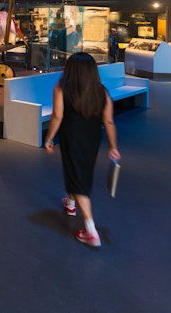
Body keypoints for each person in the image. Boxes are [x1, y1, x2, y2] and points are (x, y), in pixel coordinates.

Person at [44, 52, 120, 247]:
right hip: (92, 138)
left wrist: (49, 138)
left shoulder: (61, 88)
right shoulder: (101, 91)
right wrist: (113, 147)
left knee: (77, 177)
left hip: (71, 136)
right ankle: (70, 204)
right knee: (79, 170)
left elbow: (57, 117)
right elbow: (109, 121)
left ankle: (90, 230)